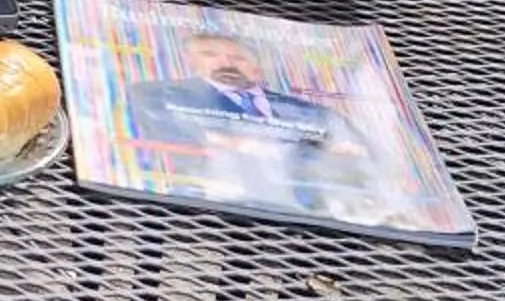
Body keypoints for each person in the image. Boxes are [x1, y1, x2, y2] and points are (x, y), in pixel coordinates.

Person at [126, 30, 369, 216]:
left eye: (238, 57)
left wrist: (245, 144)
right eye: (209, 54)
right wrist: (302, 152)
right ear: (190, 60)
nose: (226, 63)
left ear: (257, 66)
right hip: (196, 209)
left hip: (309, 216)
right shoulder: (152, 94)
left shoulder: (315, 113)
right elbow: (177, 144)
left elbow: (362, 158)